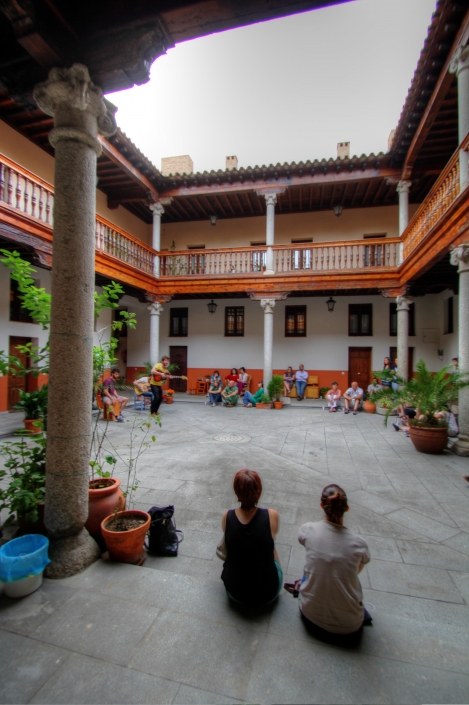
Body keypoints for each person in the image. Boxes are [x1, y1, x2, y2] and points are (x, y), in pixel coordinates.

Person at [297, 484, 371, 640]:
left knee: (310, 571)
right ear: (347, 508)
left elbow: (304, 542)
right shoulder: (359, 543)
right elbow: (360, 564)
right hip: (349, 626)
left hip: (310, 615)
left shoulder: (307, 530)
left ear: (321, 506)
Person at [221, 469, 282, 607]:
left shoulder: (227, 516)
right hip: (268, 593)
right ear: (258, 491)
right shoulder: (271, 515)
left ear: (236, 491)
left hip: (235, 592)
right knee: (270, 543)